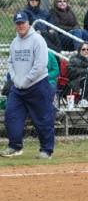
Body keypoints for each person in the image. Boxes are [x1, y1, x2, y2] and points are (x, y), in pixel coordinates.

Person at [2, 11, 55, 158]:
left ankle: (46, 150)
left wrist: (25, 81)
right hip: (18, 88)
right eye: (18, 23)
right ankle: (15, 147)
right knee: (11, 115)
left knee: (43, 119)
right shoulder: (14, 42)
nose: (20, 26)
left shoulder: (38, 40)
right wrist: (15, 79)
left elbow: (40, 65)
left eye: (23, 22)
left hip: (37, 86)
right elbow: (10, 63)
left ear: (28, 23)